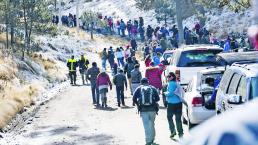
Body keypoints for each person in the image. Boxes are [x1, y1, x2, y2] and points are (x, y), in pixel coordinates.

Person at [133, 78, 160, 145]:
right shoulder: (153, 88)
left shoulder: (139, 88)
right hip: (153, 110)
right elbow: (158, 99)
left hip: (143, 110)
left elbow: (134, 98)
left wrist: (138, 104)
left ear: (141, 83)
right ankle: (152, 139)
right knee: (152, 124)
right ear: (148, 82)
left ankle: (148, 141)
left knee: (146, 125)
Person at [164, 72, 184, 139]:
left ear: (172, 77)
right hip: (179, 103)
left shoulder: (171, 83)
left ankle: (173, 131)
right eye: (167, 77)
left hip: (171, 104)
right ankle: (180, 133)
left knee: (169, 118)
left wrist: (165, 93)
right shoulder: (177, 83)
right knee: (178, 119)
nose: (168, 78)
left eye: (169, 77)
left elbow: (170, 93)